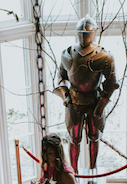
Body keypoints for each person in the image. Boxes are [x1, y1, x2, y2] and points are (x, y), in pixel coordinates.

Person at [53, 15, 119, 173]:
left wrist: (101, 106)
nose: (84, 36)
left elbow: (111, 83)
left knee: (94, 137)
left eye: (86, 33)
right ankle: (74, 173)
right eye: (81, 32)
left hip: (94, 100)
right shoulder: (67, 53)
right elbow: (60, 78)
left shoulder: (104, 56)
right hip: (74, 101)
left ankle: (92, 170)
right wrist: (65, 97)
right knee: (74, 139)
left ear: (93, 33)